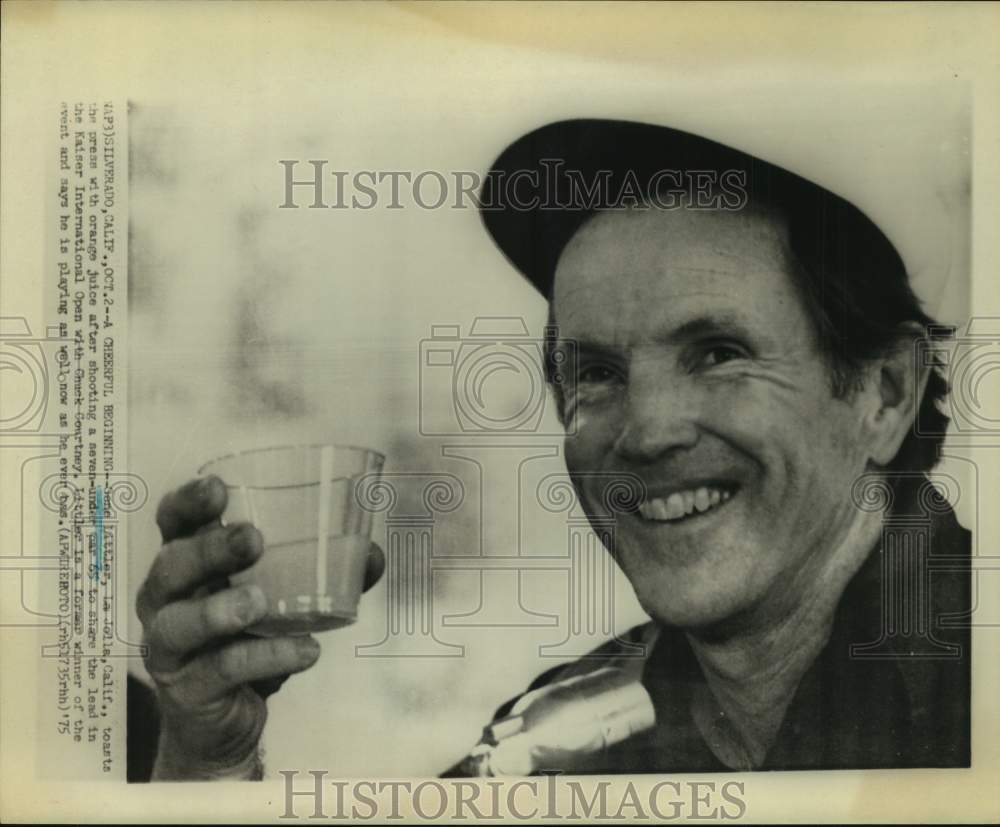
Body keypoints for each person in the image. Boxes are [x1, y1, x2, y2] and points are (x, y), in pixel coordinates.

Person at [131, 119, 970, 780]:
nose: (645, 432)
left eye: (718, 352)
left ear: (884, 392)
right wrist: (209, 760)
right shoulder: (552, 740)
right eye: (598, 371)